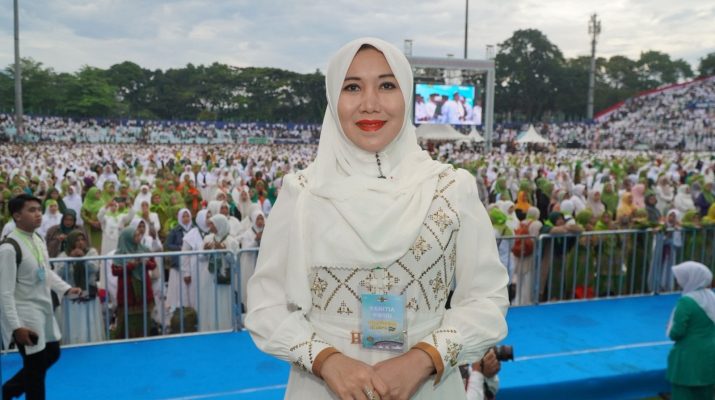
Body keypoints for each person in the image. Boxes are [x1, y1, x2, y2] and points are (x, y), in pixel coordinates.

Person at [245, 38, 508, 400]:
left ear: (407, 94)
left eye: (386, 85)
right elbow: (265, 306)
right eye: (352, 87)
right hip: (322, 388)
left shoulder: (450, 188)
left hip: (427, 388)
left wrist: (423, 359)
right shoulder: (302, 194)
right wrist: (326, 360)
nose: (369, 103)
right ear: (333, 98)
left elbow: (488, 300)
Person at [0, 194, 82, 400]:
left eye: (39, 209)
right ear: (17, 216)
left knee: (52, 353)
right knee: (35, 370)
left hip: (44, 308)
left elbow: (45, 271)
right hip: (25, 313)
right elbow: (4, 293)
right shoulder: (8, 248)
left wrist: (65, 289)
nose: (38, 214)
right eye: (32, 210)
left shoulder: (37, 238)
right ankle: (13, 389)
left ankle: (11, 388)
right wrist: (16, 327)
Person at [666, 261, 715, 400]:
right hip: (710, 358)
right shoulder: (712, 298)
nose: (678, 280)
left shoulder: (686, 302)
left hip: (687, 361)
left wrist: (670, 328)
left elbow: (676, 333)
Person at [54, 230, 104, 344]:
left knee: (90, 321)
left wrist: (83, 259)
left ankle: (92, 342)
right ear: (71, 242)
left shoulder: (91, 252)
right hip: (71, 297)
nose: (80, 242)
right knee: (75, 322)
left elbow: (94, 268)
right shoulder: (63, 255)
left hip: (89, 294)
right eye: (77, 240)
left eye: (82, 239)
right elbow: (59, 273)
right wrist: (70, 259)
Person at [110, 224, 157, 339]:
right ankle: (127, 338)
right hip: (128, 289)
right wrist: (131, 265)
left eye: (139, 235)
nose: (138, 237)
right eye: (135, 236)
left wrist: (146, 263)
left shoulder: (144, 249)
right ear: (127, 238)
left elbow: (153, 265)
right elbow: (115, 271)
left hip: (143, 287)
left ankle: (144, 336)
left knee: (144, 314)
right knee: (127, 317)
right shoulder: (120, 254)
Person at [199, 214, 238, 331]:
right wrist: (205, 251)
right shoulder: (208, 239)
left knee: (223, 302)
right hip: (210, 277)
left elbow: (235, 261)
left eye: (213, 224)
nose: (210, 226)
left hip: (224, 277)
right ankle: (209, 328)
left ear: (219, 225)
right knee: (210, 301)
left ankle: (224, 327)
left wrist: (224, 251)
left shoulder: (232, 241)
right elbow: (200, 258)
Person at [237, 209, 264, 311]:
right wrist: (255, 240)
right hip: (250, 266)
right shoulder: (248, 233)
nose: (260, 221)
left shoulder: (267, 231)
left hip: (262, 265)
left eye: (262, 218)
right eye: (258, 219)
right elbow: (246, 249)